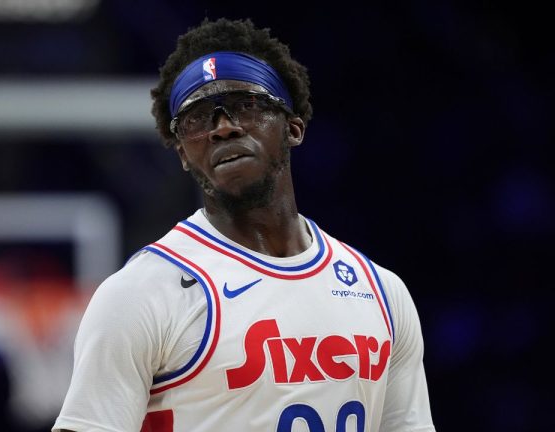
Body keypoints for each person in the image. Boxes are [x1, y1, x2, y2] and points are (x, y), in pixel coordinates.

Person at [53, 17, 435, 432]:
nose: (223, 127)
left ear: (293, 127)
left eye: (245, 105)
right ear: (182, 153)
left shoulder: (381, 292)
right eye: (197, 120)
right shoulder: (141, 294)